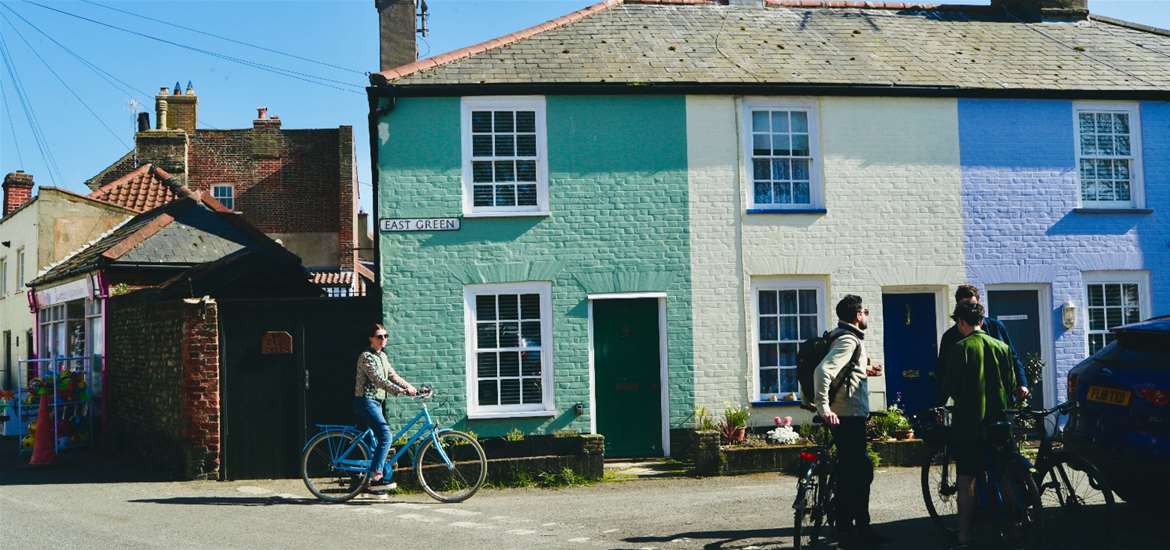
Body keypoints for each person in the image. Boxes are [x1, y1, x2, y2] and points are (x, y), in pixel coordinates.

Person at [813, 295, 889, 548]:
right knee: (860, 472)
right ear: (857, 315)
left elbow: (844, 370)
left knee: (849, 470)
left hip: (845, 414)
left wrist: (865, 369)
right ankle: (856, 529)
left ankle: (845, 522)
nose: (867, 315)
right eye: (865, 311)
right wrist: (823, 407)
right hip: (847, 416)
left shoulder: (843, 338)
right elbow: (824, 370)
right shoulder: (848, 339)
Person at [943, 301, 1019, 549]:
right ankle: (1017, 522)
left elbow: (951, 386)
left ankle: (964, 536)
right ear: (983, 322)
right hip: (999, 423)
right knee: (1004, 473)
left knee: (967, 481)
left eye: (958, 323)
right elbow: (1010, 384)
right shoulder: (1002, 347)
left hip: (970, 425)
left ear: (962, 323)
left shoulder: (960, 348)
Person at [937, 285, 1029, 404]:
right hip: (970, 401)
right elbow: (943, 371)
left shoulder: (996, 327)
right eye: (965, 306)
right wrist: (940, 403)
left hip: (999, 396)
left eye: (973, 305)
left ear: (978, 304)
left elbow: (1012, 357)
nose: (970, 310)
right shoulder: (950, 337)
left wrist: (1022, 383)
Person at [354, 323, 418, 491]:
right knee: (386, 436)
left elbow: (392, 375)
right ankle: (376, 476)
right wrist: (401, 391)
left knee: (374, 444)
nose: (383, 339)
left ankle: (373, 481)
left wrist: (412, 388)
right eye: (379, 336)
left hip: (376, 402)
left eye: (385, 336)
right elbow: (378, 380)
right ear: (371, 339)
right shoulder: (366, 356)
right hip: (366, 401)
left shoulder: (382, 356)